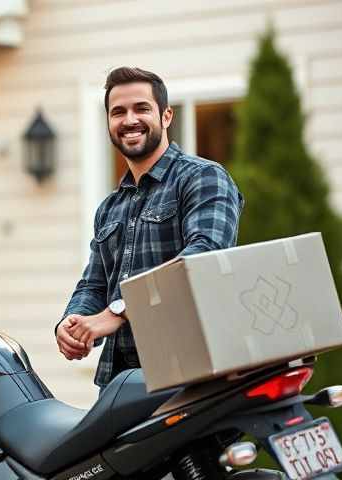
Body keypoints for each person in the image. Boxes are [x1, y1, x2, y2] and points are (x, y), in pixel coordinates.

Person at [55, 67, 244, 391]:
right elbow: (94, 283)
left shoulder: (202, 178)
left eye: (141, 108)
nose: (129, 119)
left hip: (193, 376)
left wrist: (121, 310)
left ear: (166, 116)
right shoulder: (110, 208)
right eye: (118, 112)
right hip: (122, 383)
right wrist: (73, 322)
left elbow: (204, 256)